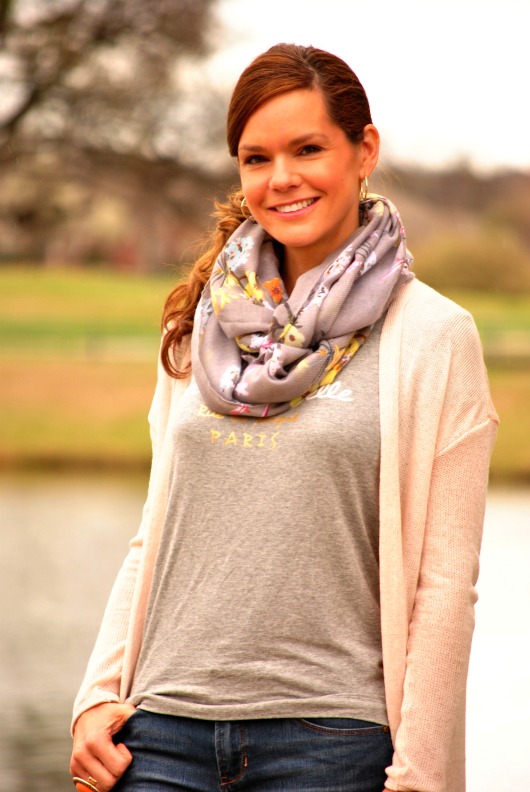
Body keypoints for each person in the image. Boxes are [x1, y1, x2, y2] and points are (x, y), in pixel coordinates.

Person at [70, 43, 498, 792]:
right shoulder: (198, 328)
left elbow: (444, 585)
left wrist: (421, 772)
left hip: (330, 744)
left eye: (308, 149)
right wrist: (96, 697)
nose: (281, 178)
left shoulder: (434, 337)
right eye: (256, 158)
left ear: (364, 151)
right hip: (158, 734)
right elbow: (155, 534)